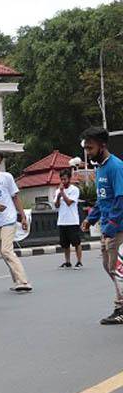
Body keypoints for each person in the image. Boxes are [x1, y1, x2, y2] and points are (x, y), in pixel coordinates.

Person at [80, 127, 123, 325]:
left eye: (90, 148)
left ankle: (120, 308)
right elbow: (102, 199)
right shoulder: (100, 169)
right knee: (109, 267)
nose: (88, 152)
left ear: (102, 145)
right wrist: (91, 218)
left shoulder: (116, 167)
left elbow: (120, 199)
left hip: (118, 228)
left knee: (117, 269)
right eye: (86, 148)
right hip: (107, 226)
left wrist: (112, 225)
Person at [0, 149, 32, 292]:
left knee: (6, 250)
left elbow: (15, 197)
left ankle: (24, 282)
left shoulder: (6, 177)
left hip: (8, 219)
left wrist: (23, 217)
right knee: (5, 254)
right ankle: (16, 281)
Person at [54, 168, 83, 269]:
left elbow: (69, 203)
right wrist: (58, 196)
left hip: (72, 221)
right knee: (65, 244)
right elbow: (56, 205)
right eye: (61, 179)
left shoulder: (74, 190)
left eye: (65, 179)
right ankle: (67, 261)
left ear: (69, 179)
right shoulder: (58, 191)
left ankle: (79, 261)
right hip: (62, 221)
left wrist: (62, 193)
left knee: (76, 242)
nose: (63, 181)